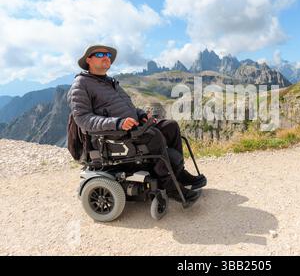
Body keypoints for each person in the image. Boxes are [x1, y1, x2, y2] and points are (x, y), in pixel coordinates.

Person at [67, 44, 206, 202]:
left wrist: (140, 114)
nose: (106, 57)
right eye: (100, 55)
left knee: (170, 126)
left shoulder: (110, 82)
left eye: (108, 56)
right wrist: (118, 123)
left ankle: (179, 173)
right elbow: (83, 119)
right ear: (89, 60)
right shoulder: (81, 84)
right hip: (110, 136)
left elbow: (129, 108)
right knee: (154, 136)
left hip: (129, 129)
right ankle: (169, 185)